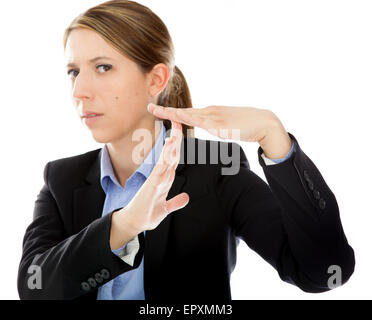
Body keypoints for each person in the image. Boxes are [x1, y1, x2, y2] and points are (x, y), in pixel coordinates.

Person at [17, 0, 355, 300]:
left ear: (156, 80)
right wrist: (126, 224)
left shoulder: (216, 170)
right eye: (73, 72)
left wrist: (273, 136)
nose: (79, 90)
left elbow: (323, 272)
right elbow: (34, 288)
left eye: (102, 67)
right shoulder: (61, 179)